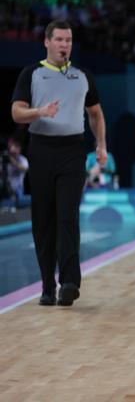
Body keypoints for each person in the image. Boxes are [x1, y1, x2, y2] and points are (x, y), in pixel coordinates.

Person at [11, 20, 108, 307]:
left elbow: (95, 113)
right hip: (40, 149)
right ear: (47, 42)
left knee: (67, 215)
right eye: (60, 39)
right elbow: (16, 113)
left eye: (69, 40)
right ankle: (46, 286)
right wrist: (40, 111)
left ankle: (69, 282)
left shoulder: (83, 76)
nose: (65, 44)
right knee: (43, 220)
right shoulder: (31, 74)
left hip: (72, 151)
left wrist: (101, 144)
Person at [1, 137, 29, 205]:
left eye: (16, 147)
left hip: (18, 192)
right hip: (4, 191)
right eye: (10, 147)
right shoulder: (4, 158)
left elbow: (25, 169)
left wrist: (12, 161)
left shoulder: (22, 159)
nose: (13, 150)